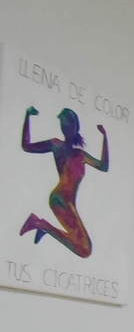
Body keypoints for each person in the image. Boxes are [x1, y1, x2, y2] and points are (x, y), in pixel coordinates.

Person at [19, 106, 108, 258]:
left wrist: (105, 138)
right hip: (60, 199)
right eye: (63, 123)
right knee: (85, 249)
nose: (65, 127)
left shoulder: (80, 155)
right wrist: (27, 115)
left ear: (76, 127)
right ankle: (38, 224)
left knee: (84, 247)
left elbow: (103, 166)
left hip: (68, 202)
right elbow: (27, 146)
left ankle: (41, 225)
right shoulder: (56, 145)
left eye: (69, 123)